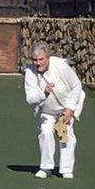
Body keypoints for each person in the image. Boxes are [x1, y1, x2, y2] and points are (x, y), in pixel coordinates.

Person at [23, 43, 85, 179]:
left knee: (66, 133)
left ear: (48, 58)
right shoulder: (30, 72)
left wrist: (70, 109)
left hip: (66, 107)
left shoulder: (61, 65)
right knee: (45, 132)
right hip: (46, 110)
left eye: (41, 59)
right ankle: (46, 168)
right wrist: (43, 93)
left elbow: (76, 86)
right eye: (35, 60)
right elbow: (30, 98)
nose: (38, 63)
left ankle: (66, 169)